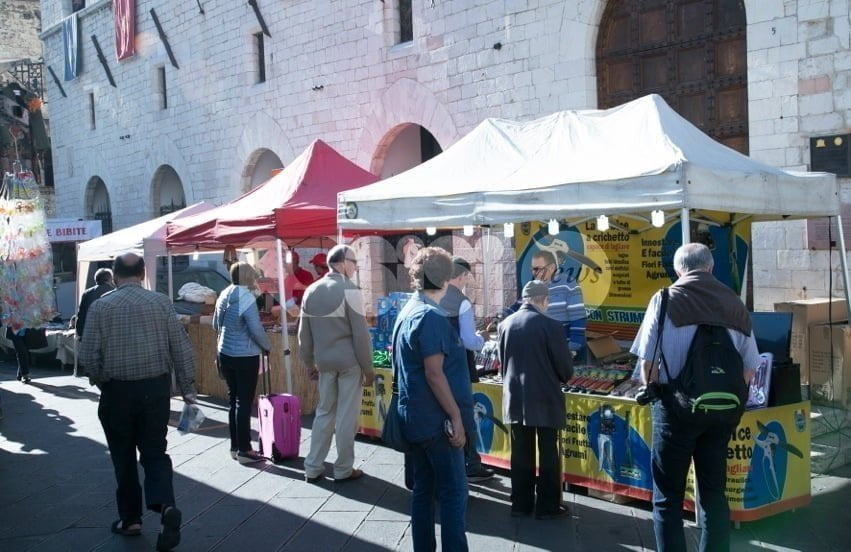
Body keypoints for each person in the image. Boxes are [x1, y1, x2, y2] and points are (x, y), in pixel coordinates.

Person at [630, 243, 761, 552]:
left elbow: (647, 363)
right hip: (722, 413)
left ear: (678, 270)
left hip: (674, 410)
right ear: (711, 268)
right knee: (714, 493)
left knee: (668, 497)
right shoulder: (734, 303)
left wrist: (651, 387)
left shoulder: (664, 299)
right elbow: (750, 367)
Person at [80, 253, 196, 551]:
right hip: (155, 389)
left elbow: (88, 355)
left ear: (115, 275)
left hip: (117, 390)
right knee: (155, 452)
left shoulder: (101, 306)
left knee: (123, 456)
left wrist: (101, 379)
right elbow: (181, 348)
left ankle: (131, 519)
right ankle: (166, 506)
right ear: (143, 273)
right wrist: (188, 388)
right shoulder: (161, 302)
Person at [394, 247, 473, 552]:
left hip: (415, 417)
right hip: (435, 420)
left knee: (424, 490)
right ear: (446, 280)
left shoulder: (408, 310)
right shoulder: (431, 317)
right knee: (454, 492)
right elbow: (434, 373)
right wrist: (455, 416)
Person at [498, 280, 574, 520]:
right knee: (548, 451)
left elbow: (502, 363)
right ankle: (547, 506)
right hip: (545, 397)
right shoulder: (551, 326)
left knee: (520, 451)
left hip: (515, 396)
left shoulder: (505, 324)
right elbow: (565, 369)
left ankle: (521, 504)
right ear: (543, 300)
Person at [299, 244, 374, 483]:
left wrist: (309, 362)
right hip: (349, 362)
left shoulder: (311, 290)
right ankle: (343, 468)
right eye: (353, 262)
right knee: (346, 417)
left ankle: (312, 466)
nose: (355, 267)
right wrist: (368, 368)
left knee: (324, 413)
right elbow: (361, 334)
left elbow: (304, 334)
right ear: (342, 263)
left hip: (324, 362)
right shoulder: (350, 290)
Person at [439, 256, 494, 482]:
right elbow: (469, 341)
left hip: (437, 364)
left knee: (443, 412)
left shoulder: (435, 296)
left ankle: (453, 463)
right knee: (464, 413)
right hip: (457, 366)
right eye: (466, 277)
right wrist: (482, 338)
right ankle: (471, 464)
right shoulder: (462, 302)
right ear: (461, 276)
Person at [213, 262, 271, 464]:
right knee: (243, 403)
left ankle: (235, 446)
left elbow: (215, 324)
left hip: (225, 353)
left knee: (233, 401)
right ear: (248, 277)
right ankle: (245, 450)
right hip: (244, 356)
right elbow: (255, 329)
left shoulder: (224, 294)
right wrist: (267, 346)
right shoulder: (246, 298)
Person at [529, 249, 587, 361]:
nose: (534, 272)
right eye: (532, 269)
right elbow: (522, 305)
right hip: (545, 348)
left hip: (567, 349)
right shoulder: (534, 286)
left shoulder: (568, 284)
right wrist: (504, 314)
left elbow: (578, 317)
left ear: (552, 267)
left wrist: (573, 347)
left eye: (538, 268)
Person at [75, 268, 115, 339]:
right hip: (109, 332)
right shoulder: (113, 292)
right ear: (110, 279)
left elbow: (81, 314)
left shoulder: (87, 293)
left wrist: (80, 333)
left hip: (89, 332)